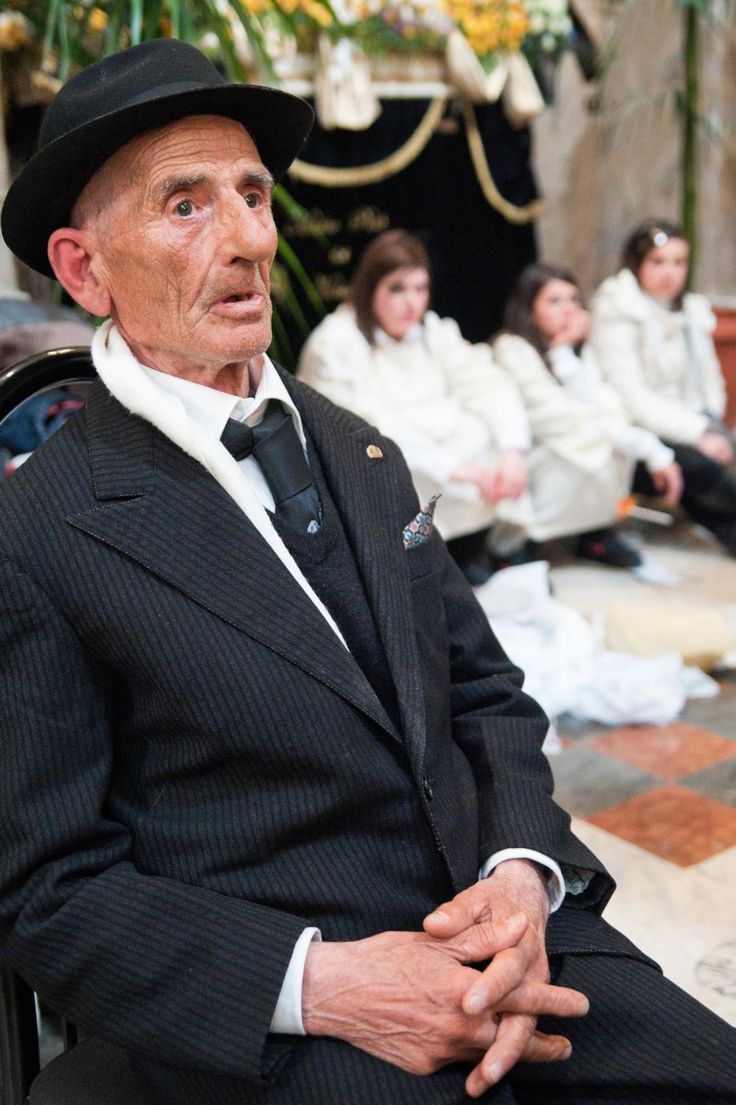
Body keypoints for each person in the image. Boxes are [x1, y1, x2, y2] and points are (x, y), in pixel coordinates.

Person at [0, 39, 734, 1105]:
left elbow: (482, 690)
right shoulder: (41, 531)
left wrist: (521, 876)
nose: (252, 238)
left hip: (507, 930)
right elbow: (46, 892)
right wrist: (327, 985)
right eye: (186, 204)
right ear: (83, 269)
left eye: (253, 192)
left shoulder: (357, 448)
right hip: (292, 998)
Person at [297, 229, 533, 582]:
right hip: (382, 458)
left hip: (445, 446)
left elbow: (487, 384)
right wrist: (451, 468)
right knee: (394, 458)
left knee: (489, 433)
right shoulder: (335, 342)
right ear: (370, 287)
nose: (412, 303)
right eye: (397, 289)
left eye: (420, 289)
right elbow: (358, 425)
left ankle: (471, 550)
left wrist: (512, 450)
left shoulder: (434, 333)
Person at [493, 262, 682, 569]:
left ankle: (591, 531)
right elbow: (556, 419)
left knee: (617, 448)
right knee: (591, 450)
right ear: (529, 308)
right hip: (536, 452)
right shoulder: (511, 349)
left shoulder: (578, 353)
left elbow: (608, 407)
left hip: (580, 439)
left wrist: (564, 353)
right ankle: (514, 545)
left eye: (573, 300)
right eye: (554, 301)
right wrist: (633, 441)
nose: (568, 310)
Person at [589, 218, 736, 556]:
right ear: (637, 263)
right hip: (638, 435)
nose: (669, 272)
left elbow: (710, 377)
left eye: (678, 262)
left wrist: (712, 422)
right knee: (707, 471)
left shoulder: (690, 310)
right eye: (658, 262)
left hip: (691, 423)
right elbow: (634, 400)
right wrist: (700, 434)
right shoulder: (617, 310)